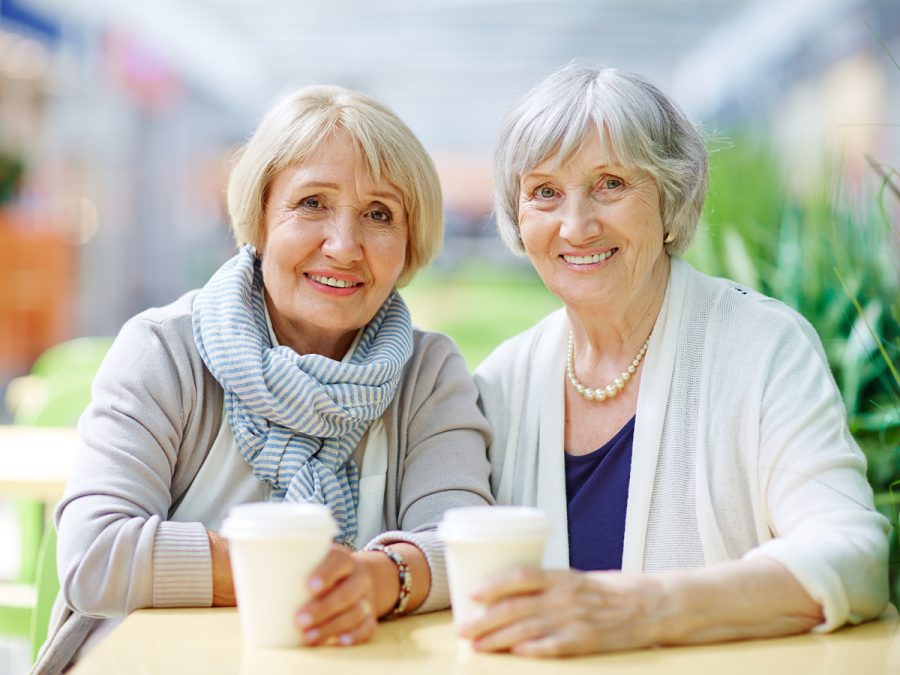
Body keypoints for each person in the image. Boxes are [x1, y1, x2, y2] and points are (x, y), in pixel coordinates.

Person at [34, 84, 493, 674]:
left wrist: (378, 580)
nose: (344, 245)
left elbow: (468, 545)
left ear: (409, 243)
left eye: (379, 214)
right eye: (312, 204)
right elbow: (93, 556)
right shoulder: (163, 349)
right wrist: (288, 566)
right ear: (260, 215)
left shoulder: (428, 373)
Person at [467, 62, 889, 657]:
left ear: (671, 197)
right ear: (518, 218)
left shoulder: (763, 346)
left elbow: (855, 559)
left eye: (611, 183)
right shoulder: (502, 381)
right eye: (544, 193)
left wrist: (641, 609)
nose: (576, 224)